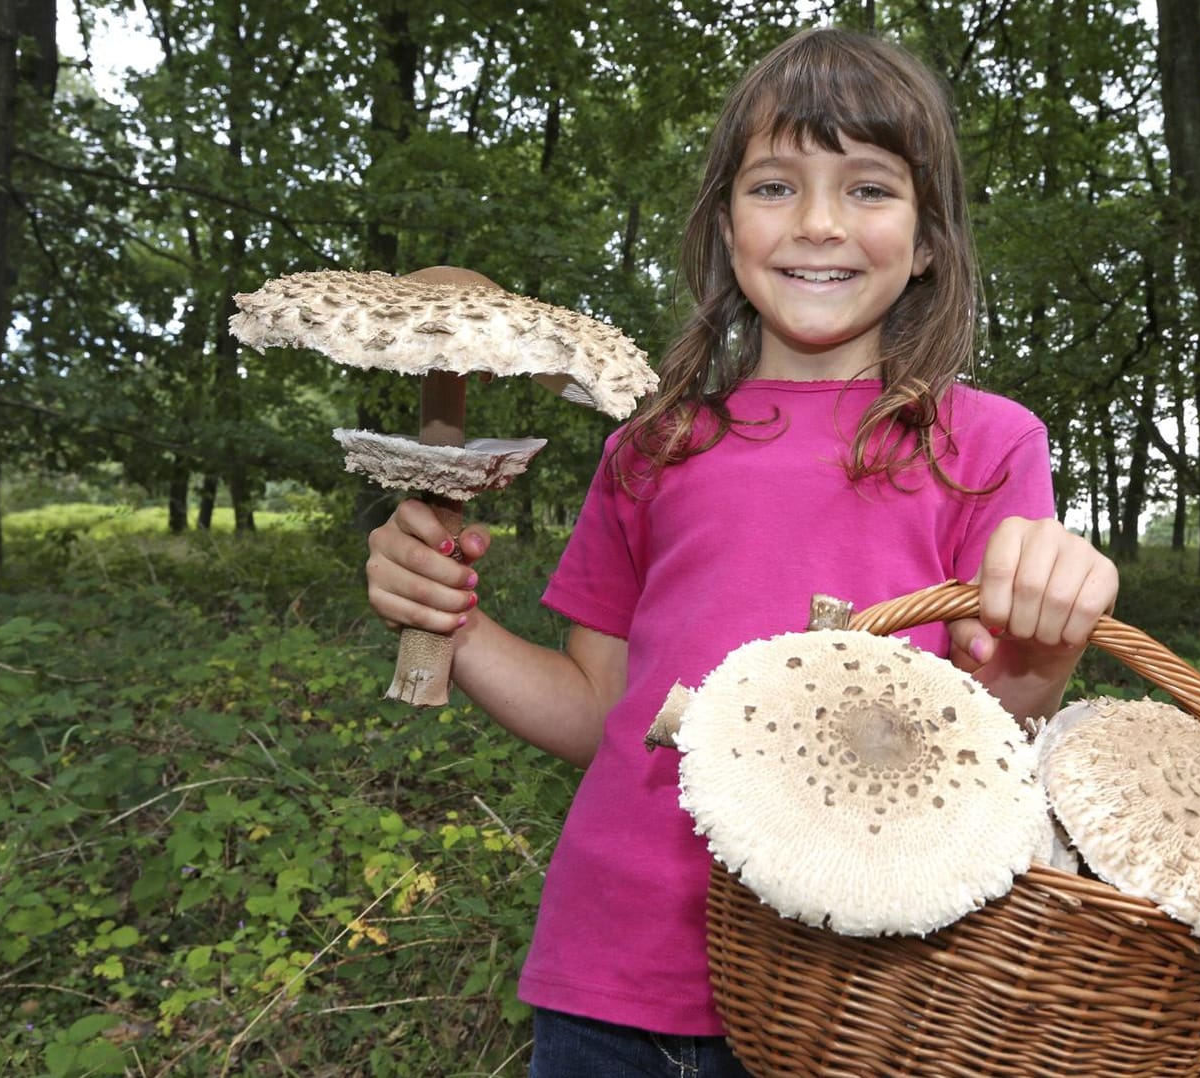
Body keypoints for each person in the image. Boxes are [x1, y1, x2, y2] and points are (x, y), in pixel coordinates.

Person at [363, 26, 1118, 1078]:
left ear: (931, 237)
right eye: (774, 186)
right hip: (612, 964)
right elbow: (597, 712)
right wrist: (452, 618)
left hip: (853, 986)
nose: (817, 223)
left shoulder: (984, 446)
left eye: (868, 189)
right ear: (724, 225)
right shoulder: (650, 447)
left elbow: (997, 734)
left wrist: (1049, 639)